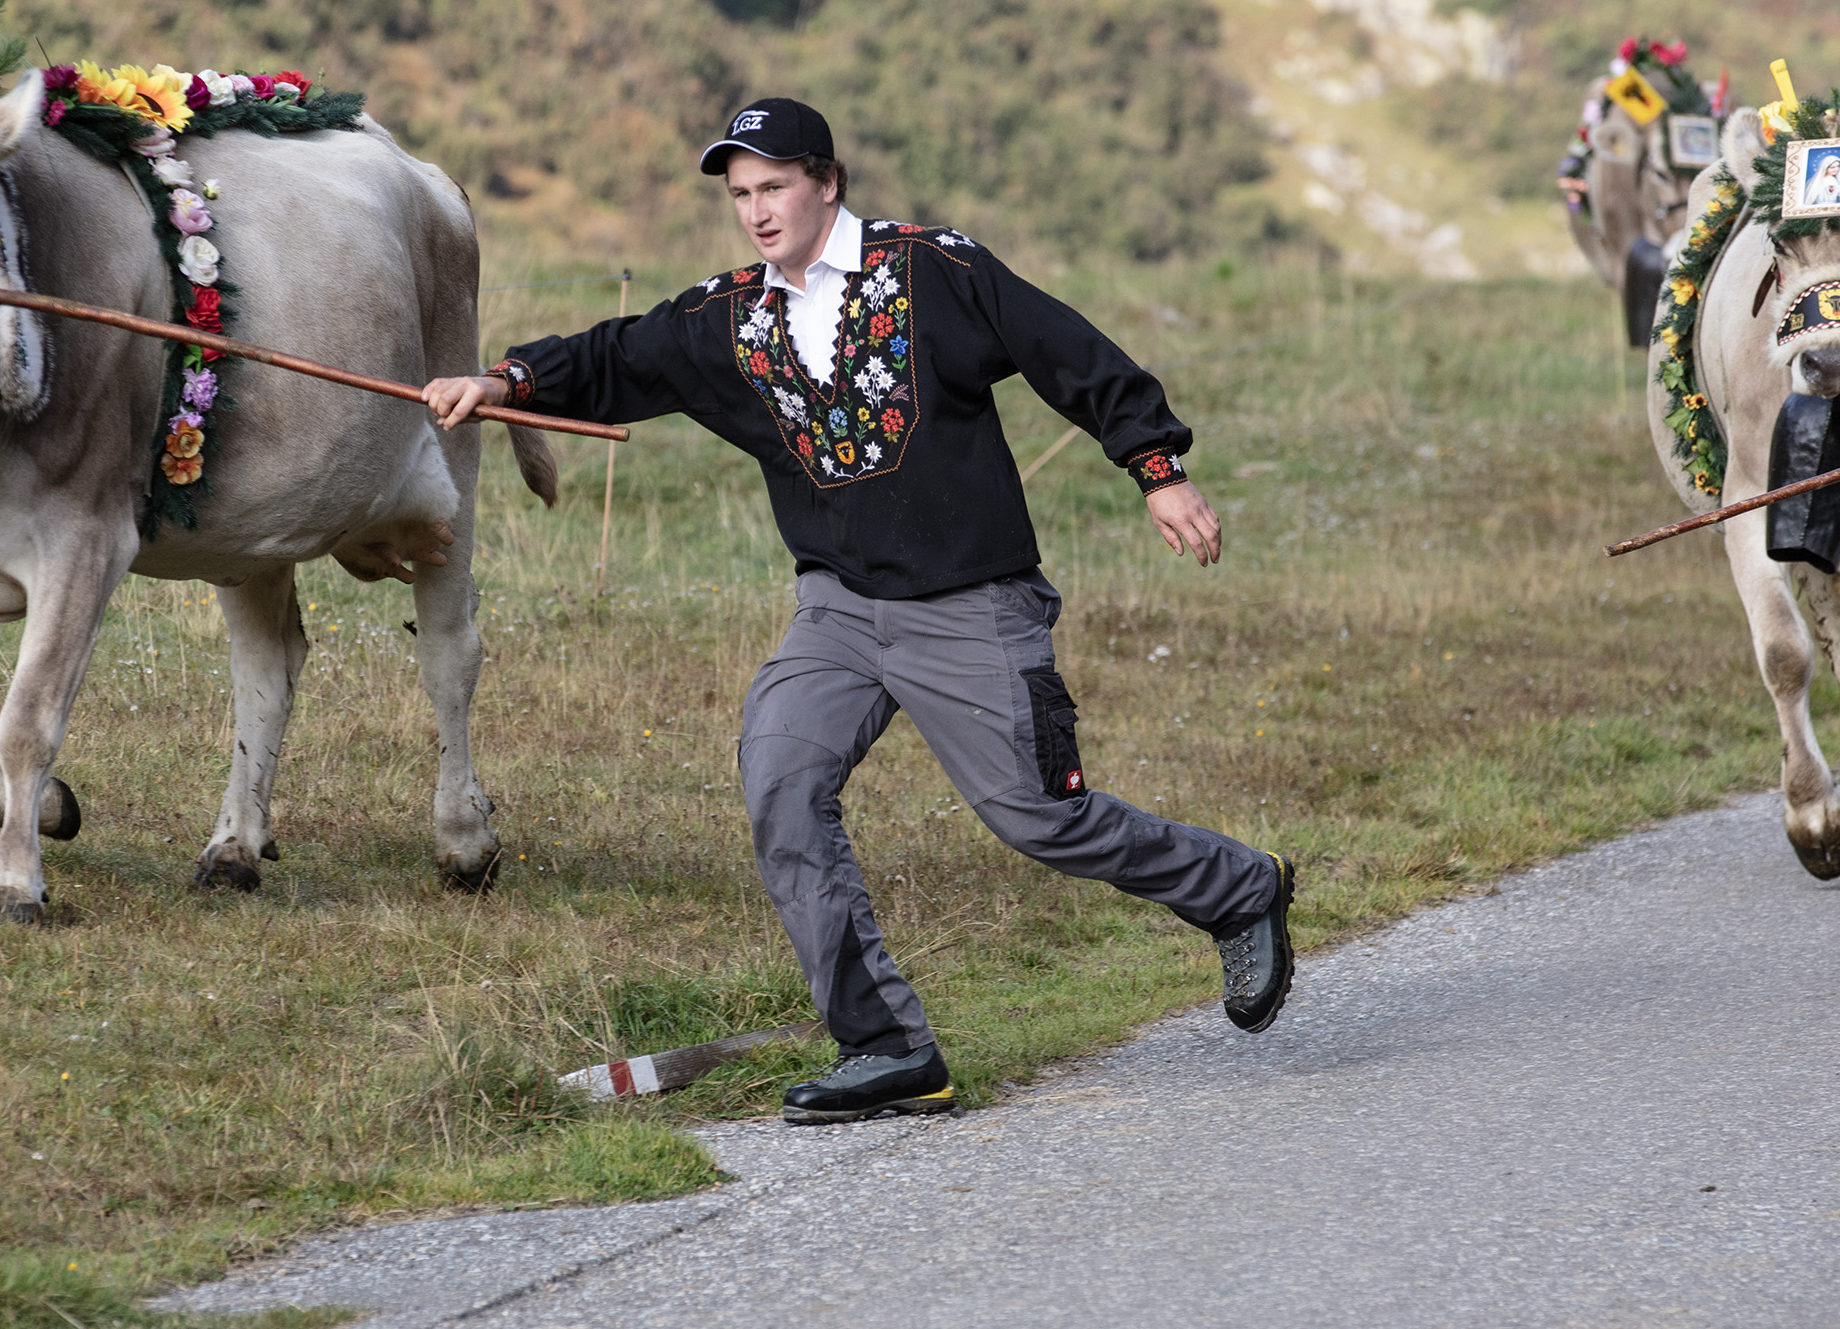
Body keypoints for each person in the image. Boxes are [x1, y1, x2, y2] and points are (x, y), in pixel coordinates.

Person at [419, 99, 1297, 1119]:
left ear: (826, 181)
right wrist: (504, 377)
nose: (756, 210)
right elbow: (622, 354)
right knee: (782, 782)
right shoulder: (729, 316)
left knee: (1040, 818)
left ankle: (1238, 887)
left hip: (969, 603)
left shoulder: (934, 271)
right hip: (837, 611)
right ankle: (885, 1043)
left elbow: (1066, 348)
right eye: (740, 193)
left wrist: (1158, 466)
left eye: (774, 186)